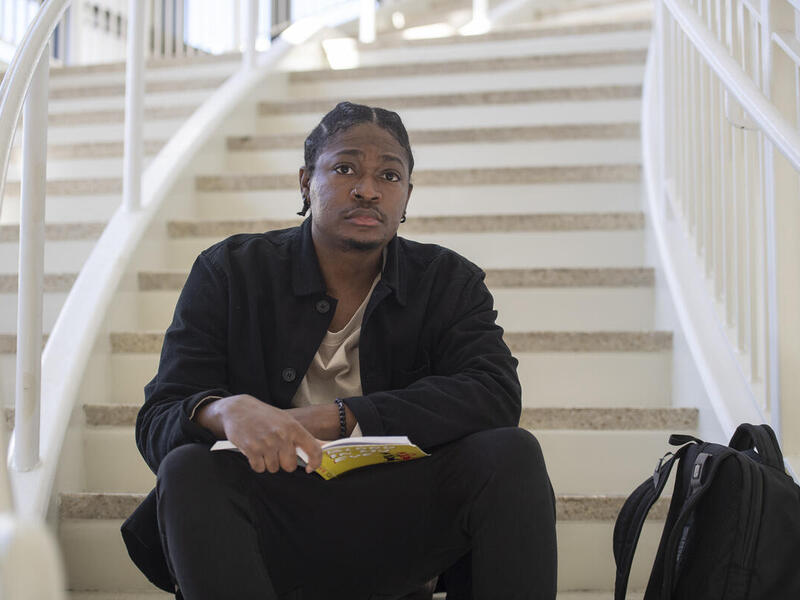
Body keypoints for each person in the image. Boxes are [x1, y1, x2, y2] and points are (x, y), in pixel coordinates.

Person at [122, 102, 557, 600]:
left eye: (389, 175)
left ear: (407, 196)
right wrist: (222, 411)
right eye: (345, 167)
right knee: (187, 468)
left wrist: (337, 418)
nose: (368, 189)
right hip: (269, 517)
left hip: (399, 513)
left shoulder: (447, 281)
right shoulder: (230, 271)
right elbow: (157, 419)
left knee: (511, 453)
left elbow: (494, 393)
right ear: (306, 182)